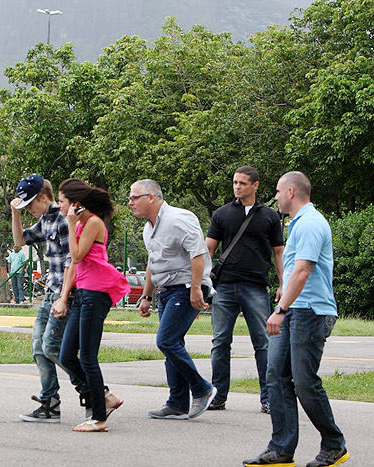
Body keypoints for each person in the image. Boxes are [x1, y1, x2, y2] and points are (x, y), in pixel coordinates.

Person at [243, 172, 348, 467]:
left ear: (291, 191)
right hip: (294, 309)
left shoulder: (312, 223)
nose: (275, 197)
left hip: (310, 311)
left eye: (277, 191)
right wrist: (284, 294)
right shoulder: (298, 223)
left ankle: (333, 444)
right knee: (276, 376)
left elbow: (304, 270)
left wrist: (281, 309)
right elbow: (294, 270)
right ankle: (281, 449)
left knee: (304, 382)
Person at [129, 179, 217, 420]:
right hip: (166, 290)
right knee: (173, 342)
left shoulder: (180, 218)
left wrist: (197, 288)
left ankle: (201, 388)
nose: (130, 202)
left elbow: (198, 254)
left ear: (152, 197)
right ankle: (177, 402)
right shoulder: (149, 229)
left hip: (187, 286)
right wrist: (146, 295)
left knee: (166, 340)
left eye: (135, 197)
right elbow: (153, 263)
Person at [11, 173, 89, 423]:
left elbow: (73, 261)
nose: (29, 210)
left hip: (66, 293)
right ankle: (50, 402)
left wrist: (64, 298)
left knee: (53, 347)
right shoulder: (45, 220)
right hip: (50, 292)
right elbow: (19, 241)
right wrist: (16, 214)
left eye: (30, 204)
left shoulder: (65, 220)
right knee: (39, 348)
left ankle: (94, 390)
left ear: (44, 197)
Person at [206, 166, 285, 413]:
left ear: (255, 185)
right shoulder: (221, 214)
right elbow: (208, 249)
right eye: (235, 182)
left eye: (242, 183)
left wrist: (283, 284)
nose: (237, 187)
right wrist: (203, 284)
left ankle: (268, 397)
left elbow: (279, 252)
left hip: (256, 285)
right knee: (220, 342)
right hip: (225, 286)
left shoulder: (270, 216)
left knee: (263, 342)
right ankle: (218, 396)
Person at [55, 178, 129, 432]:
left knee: (87, 357)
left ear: (75, 203)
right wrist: (64, 297)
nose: (59, 205)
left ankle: (99, 416)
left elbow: (77, 255)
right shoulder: (81, 224)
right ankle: (105, 396)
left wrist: (71, 223)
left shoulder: (93, 223)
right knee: (66, 355)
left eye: (62, 200)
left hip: (96, 294)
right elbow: (74, 265)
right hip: (83, 293)